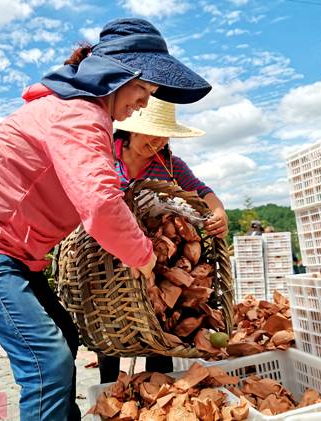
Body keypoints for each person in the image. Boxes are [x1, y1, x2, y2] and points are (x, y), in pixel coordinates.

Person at [0, 18, 211, 421]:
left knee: (64, 338)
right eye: (143, 90)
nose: (144, 104)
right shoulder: (80, 114)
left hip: (9, 253)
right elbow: (99, 205)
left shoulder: (74, 108)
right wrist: (145, 258)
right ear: (119, 75)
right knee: (47, 361)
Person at [96, 96, 228, 383]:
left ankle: (158, 389)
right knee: (112, 328)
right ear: (130, 129)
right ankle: (108, 388)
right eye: (150, 133)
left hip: (156, 257)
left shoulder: (170, 165)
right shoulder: (104, 154)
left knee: (160, 322)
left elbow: (201, 191)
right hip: (109, 257)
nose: (156, 142)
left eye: (162, 135)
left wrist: (218, 211)